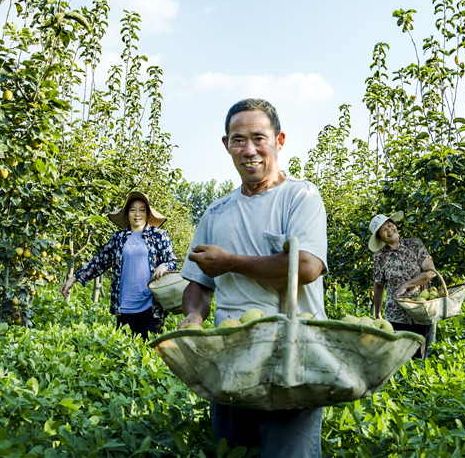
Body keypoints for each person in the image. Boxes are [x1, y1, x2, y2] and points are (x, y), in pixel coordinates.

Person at [178, 98, 328, 458]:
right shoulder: (216, 212)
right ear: (226, 145)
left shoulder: (300, 196)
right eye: (238, 139)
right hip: (229, 358)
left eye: (259, 138)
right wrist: (195, 315)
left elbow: (305, 267)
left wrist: (230, 261)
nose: (249, 150)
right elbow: (198, 281)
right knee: (234, 450)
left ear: (279, 140)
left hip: (293, 356)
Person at [60, 191, 177, 339]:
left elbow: (172, 262)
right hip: (125, 306)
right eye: (132, 209)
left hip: (151, 307)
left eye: (142, 210)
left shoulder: (159, 235)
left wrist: (165, 266)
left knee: (149, 355)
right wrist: (74, 278)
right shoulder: (119, 238)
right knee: (124, 355)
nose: (137, 214)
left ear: (147, 213)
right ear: (127, 213)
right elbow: (100, 261)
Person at [369, 212, 437, 359]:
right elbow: (379, 285)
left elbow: (431, 272)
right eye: (383, 229)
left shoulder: (415, 245)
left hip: (420, 311)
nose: (389, 229)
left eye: (390, 224)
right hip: (395, 314)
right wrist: (378, 312)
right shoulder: (380, 257)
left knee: (418, 356)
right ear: (380, 237)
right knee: (397, 358)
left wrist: (407, 284)